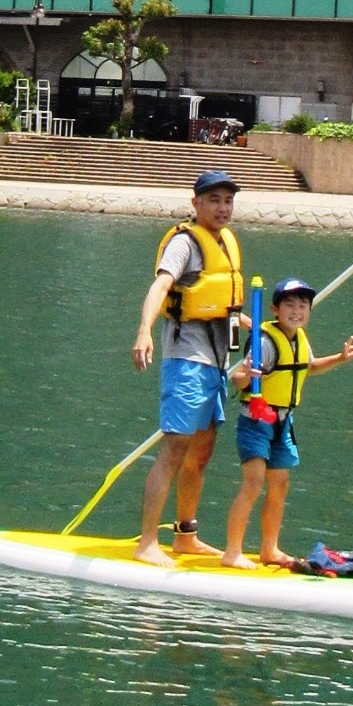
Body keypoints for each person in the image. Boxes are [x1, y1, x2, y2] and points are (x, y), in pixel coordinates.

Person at [132, 169, 244, 566]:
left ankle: (185, 536)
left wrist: (254, 325)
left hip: (216, 364)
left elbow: (221, 301)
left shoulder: (226, 242)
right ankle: (147, 543)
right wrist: (144, 330)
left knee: (201, 453)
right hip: (185, 361)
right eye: (214, 200)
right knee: (174, 450)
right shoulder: (184, 243)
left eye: (228, 200)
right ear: (196, 203)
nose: (222, 208)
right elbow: (161, 286)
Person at [222, 277, 353, 570]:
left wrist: (339, 358)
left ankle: (269, 548)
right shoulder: (264, 342)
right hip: (256, 420)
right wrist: (247, 374)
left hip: (284, 422)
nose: (297, 311)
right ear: (274, 309)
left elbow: (307, 368)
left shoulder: (300, 338)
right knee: (253, 483)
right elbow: (238, 379)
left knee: (280, 485)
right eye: (290, 305)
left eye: (303, 305)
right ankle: (232, 552)